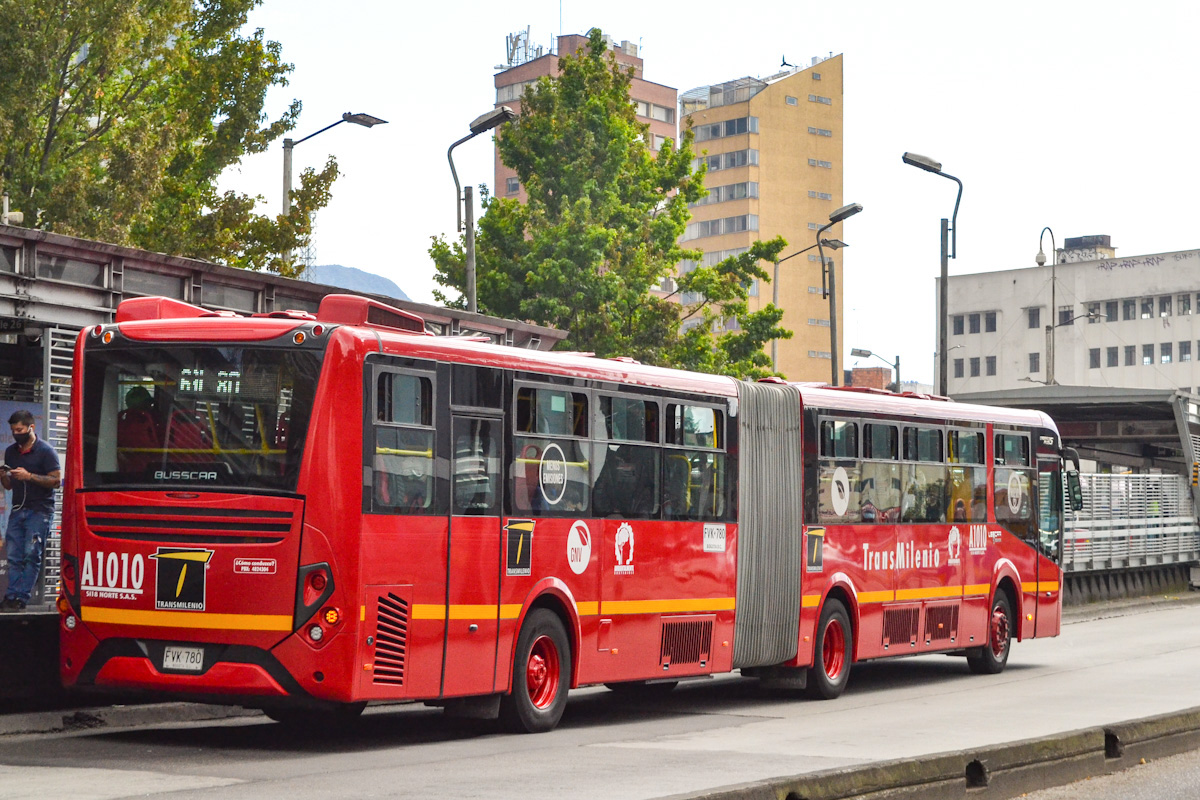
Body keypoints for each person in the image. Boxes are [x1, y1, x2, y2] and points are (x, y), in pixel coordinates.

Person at [1, 411, 62, 611]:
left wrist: (29, 476)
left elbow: (56, 481)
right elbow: (9, 486)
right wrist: (3, 475)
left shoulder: (45, 451)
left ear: (30, 428)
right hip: (19, 509)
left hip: (40, 510)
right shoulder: (11, 452)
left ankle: (22, 596)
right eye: (13, 431)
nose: (16, 434)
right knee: (14, 555)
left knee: (31, 553)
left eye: (19, 430)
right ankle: (12, 595)